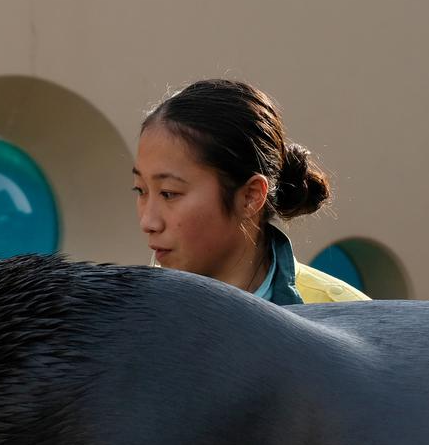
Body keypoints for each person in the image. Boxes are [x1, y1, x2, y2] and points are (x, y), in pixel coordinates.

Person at [132, 78, 368, 305]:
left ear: (250, 196)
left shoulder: (348, 316)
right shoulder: (129, 317)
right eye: (140, 190)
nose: (147, 222)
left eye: (168, 193)